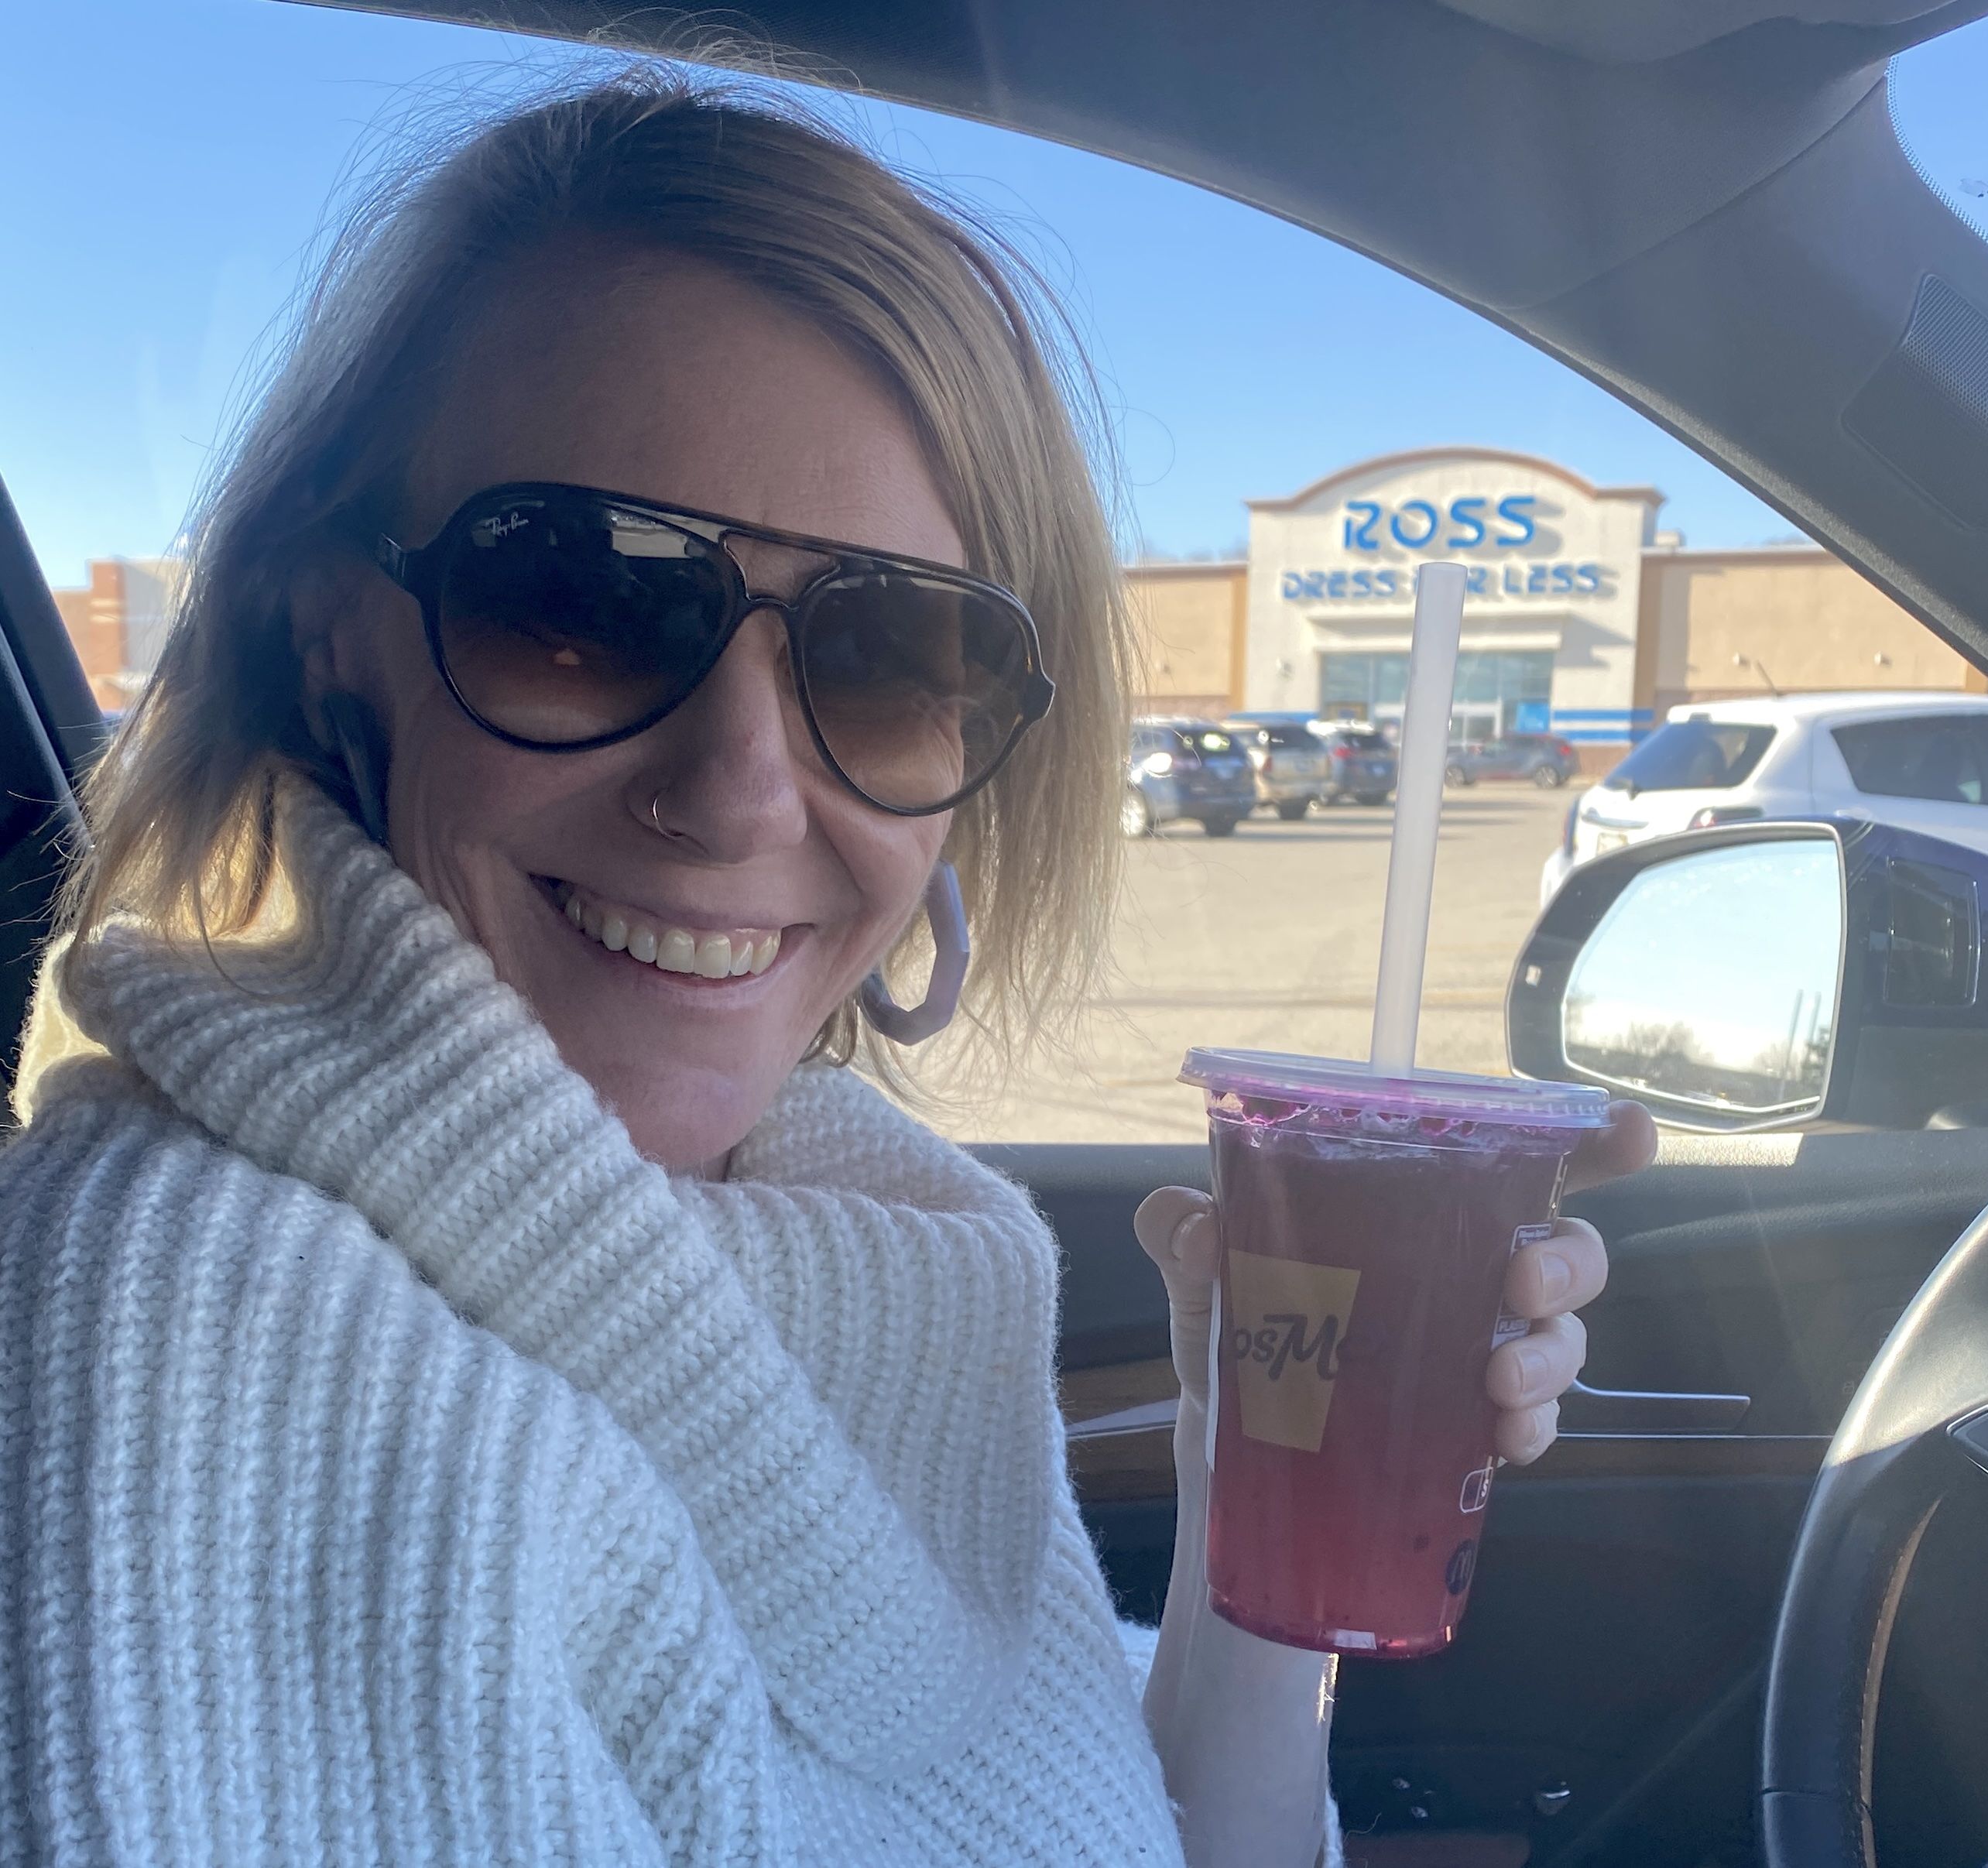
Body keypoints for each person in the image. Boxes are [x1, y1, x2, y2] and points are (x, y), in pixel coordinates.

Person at [0, 72, 1653, 1868]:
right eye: (581, 597)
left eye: (884, 653)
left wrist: (1255, 1471)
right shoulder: (208, 1342)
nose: (736, 788)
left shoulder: (855, 1244)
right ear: (330, 630)